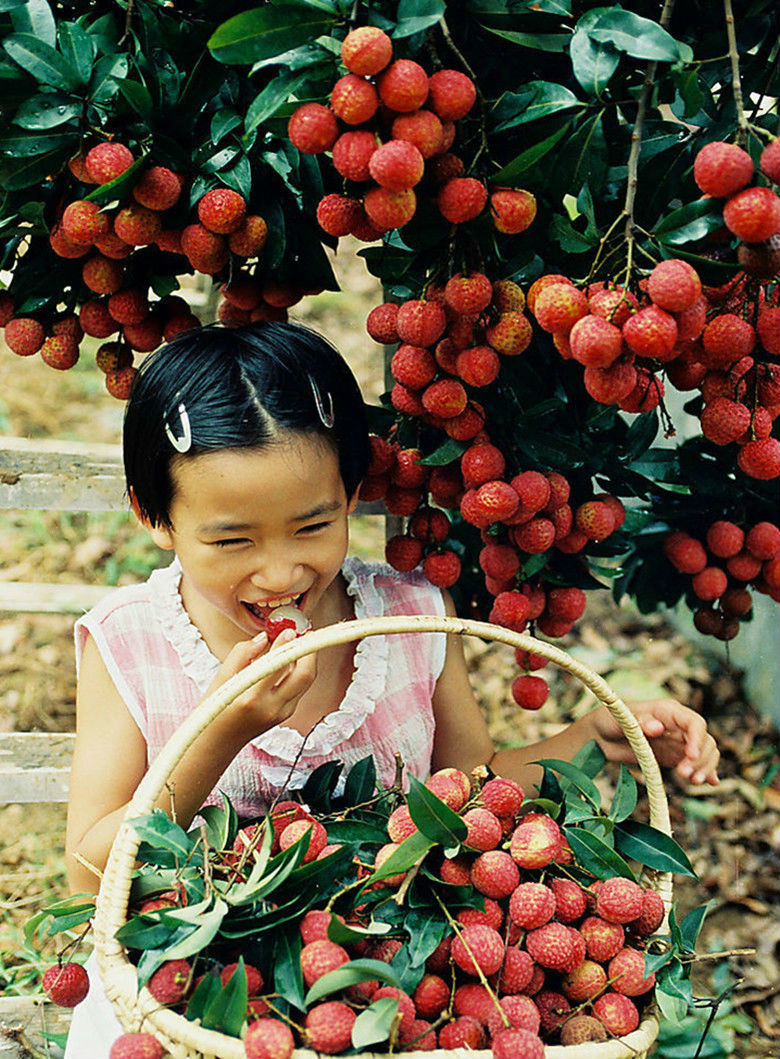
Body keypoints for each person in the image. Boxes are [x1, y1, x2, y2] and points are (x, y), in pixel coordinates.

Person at [63, 321, 719, 1056]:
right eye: (231, 540)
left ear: (350, 497)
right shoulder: (131, 640)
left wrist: (592, 740)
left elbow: (466, 792)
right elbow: (92, 868)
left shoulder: (410, 618)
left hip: (395, 985)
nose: (280, 574)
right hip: (188, 996)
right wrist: (221, 731)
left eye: (312, 525)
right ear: (154, 518)